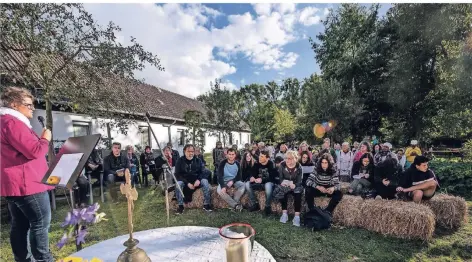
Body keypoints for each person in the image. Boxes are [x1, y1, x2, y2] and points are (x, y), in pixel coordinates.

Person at [0, 86, 54, 262]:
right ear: (15, 104)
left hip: (15, 184)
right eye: (29, 105)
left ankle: (22, 259)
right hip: (27, 183)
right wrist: (45, 138)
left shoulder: (5, 121)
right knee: (40, 223)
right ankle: (43, 259)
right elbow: (34, 150)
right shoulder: (12, 122)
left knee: (20, 225)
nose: (32, 108)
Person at [174, 144, 212, 214]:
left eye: (192, 151)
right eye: (189, 151)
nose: (191, 153)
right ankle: (180, 206)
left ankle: (207, 204)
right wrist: (187, 183)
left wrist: (199, 179)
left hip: (196, 180)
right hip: (185, 180)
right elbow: (177, 174)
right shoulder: (179, 161)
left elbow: (203, 172)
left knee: (205, 181)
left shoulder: (198, 160)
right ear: (184, 151)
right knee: (178, 184)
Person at [245, 150, 279, 214]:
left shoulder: (271, 164)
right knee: (247, 184)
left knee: (268, 185)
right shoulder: (257, 163)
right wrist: (252, 177)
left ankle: (267, 206)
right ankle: (255, 204)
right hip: (258, 183)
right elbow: (252, 173)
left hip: (268, 183)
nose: (259, 158)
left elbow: (273, 178)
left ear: (267, 158)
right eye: (259, 156)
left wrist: (262, 180)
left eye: (262, 156)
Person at [274, 151, 303, 226]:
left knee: (298, 193)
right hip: (286, 185)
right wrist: (283, 182)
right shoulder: (282, 165)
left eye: (290, 158)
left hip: (295, 185)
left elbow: (300, 181)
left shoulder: (299, 167)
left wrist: (295, 185)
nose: (287, 160)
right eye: (286, 158)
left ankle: (297, 216)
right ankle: (284, 214)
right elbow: (280, 178)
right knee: (282, 191)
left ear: (295, 159)